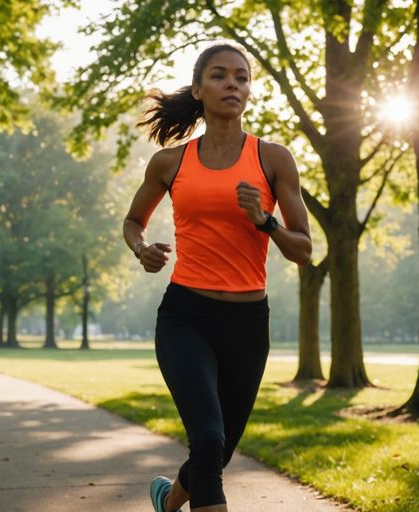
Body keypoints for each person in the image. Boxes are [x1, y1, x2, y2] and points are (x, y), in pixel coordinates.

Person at [122, 43, 312, 512]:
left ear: (249, 90)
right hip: (187, 316)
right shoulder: (171, 162)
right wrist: (142, 249)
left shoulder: (273, 158)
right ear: (199, 90)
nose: (233, 84)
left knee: (217, 449)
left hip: (248, 324)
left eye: (241, 77)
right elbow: (133, 221)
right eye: (220, 76)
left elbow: (304, 251)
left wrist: (265, 220)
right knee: (207, 438)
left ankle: (168, 502)